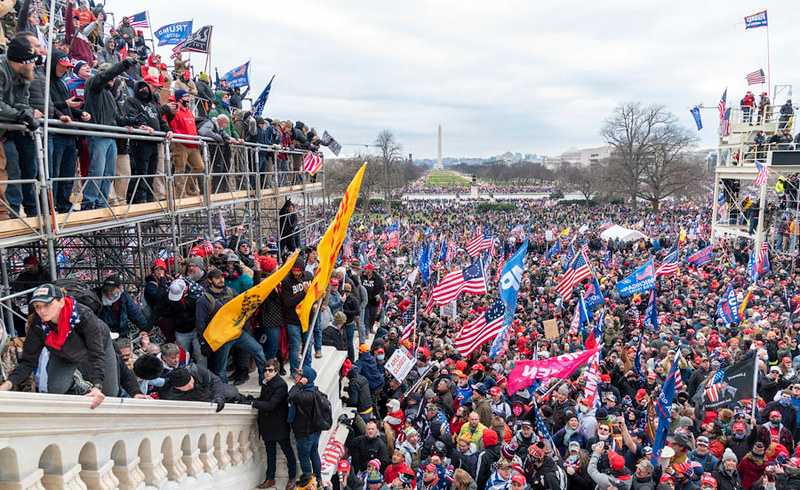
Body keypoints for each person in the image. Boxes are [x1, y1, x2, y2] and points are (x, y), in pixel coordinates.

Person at [0, 284, 119, 407]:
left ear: (61, 302)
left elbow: (96, 354)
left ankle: (91, 388)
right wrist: (7, 384)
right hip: (63, 353)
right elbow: (28, 361)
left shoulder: (83, 316)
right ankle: (79, 387)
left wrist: (97, 386)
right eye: (37, 307)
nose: (42, 311)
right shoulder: (38, 324)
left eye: (47, 305)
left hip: (95, 348)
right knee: (56, 388)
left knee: (110, 393)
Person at [82, 57, 137, 209]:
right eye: (111, 75)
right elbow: (104, 76)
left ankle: (101, 202)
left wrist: (133, 120)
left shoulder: (109, 95)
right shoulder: (93, 85)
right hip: (98, 136)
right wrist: (123, 65)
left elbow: (117, 119)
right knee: (97, 171)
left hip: (110, 136)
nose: (113, 79)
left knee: (109, 173)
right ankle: (89, 202)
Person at [0, 35, 41, 219]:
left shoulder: (23, 75)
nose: (34, 66)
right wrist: (19, 115)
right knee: (12, 169)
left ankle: (31, 210)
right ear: (22, 62)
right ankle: (12, 212)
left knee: (28, 166)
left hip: (9, 129)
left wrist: (28, 113)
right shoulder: (2, 70)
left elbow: (22, 101)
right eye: (32, 62)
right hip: (5, 129)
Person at [122, 78, 171, 203]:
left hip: (154, 142)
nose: (144, 90)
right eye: (141, 87)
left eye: (146, 88)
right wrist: (142, 126)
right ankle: (139, 200)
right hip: (140, 143)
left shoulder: (152, 105)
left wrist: (168, 130)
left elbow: (161, 120)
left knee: (152, 172)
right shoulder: (131, 101)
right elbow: (132, 117)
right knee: (141, 171)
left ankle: (148, 199)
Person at [253, 359, 296, 490]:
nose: (267, 372)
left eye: (270, 370)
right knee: (270, 453)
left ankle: (292, 478)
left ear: (276, 371)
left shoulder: (281, 385)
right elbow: (264, 400)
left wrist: (254, 404)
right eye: (265, 370)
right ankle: (270, 479)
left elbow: (271, 404)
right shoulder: (266, 383)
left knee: (288, 452)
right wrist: (252, 399)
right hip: (267, 426)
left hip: (279, 426)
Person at [288, 366, 323, 486]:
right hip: (314, 431)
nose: (296, 376)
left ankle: (309, 480)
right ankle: (318, 478)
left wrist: (299, 385)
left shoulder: (305, 395)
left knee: (304, 456)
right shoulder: (314, 390)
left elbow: (291, 395)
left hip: (305, 432)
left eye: (299, 375)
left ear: (305, 379)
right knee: (314, 453)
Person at [165, 89, 204, 198]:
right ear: (180, 98)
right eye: (186, 96)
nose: (188, 99)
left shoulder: (189, 111)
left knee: (200, 167)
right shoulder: (174, 110)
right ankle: (180, 194)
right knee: (180, 169)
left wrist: (196, 139)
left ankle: (187, 188)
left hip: (192, 144)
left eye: (188, 96)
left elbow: (193, 128)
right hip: (180, 143)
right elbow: (170, 124)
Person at [281, 257, 311, 372]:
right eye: (294, 270)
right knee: (295, 346)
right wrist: (303, 293)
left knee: (308, 345)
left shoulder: (309, 276)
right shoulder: (287, 281)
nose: (296, 273)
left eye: (298, 270)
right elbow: (288, 302)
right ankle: (294, 371)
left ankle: (307, 370)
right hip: (292, 319)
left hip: (307, 318)